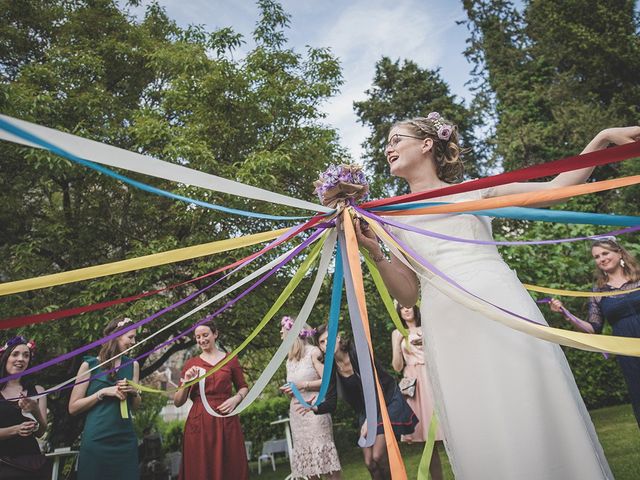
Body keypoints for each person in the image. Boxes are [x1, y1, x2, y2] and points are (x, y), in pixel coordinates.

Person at [354, 114, 640, 479]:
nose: (388, 148)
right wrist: (376, 254)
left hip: (498, 304)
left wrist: (600, 139)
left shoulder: (473, 190)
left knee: (526, 401)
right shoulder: (392, 218)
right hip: (446, 322)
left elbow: (553, 189)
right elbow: (408, 293)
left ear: (427, 144)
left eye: (396, 139)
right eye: (387, 143)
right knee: (478, 417)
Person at [549, 236, 640, 428]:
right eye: (597, 257)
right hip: (627, 351)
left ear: (619, 252)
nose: (602, 259)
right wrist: (567, 314)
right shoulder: (598, 292)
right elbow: (593, 328)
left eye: (605, 253)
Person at [307, 324, 418, 480]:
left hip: (385, 399)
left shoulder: (357, 351)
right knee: (369, 462)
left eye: (329, 339)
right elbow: (331, 402)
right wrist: (314, 406)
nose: (327, 344)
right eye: (322, 342)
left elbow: (375, 386)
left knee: (378, 456)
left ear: (338, 338)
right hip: (366, 411)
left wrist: (368, 421)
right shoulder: (331, 367)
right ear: (320, 347)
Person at [173, 320, 249, 480]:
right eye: (198, 337)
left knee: (231, 463)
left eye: (205, 335)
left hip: (226, 418)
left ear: (215, 334)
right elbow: (178, 401)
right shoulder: (191, 364)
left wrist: (236, 399)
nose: (201, 340)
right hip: (200, 421)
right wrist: (186, 381)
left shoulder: (231, 359)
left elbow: (243, 386)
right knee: (201, 466)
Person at [69, 318, 142, 480]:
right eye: (130, 337)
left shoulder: (133, 365)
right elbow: (73, 408)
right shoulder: (90, 366)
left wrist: (134, 392)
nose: (134, 342)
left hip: (125, 438)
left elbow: (136, 406)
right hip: (97, 439)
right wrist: (101, 393)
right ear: (116, 336)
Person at [277, 316, 342, 480]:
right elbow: (295, 384)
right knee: (309, 466)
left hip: (315, 411)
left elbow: (327, 381)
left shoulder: (313, 352)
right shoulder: (289, 360)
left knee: (326, 461)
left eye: (283, 330)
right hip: (298, 415)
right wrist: (291, 389)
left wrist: (304, 385)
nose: (280, 333)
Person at [390, 304, 443, 480]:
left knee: (442, 429)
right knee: (427, 438)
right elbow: (397, 367)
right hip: (413, 383)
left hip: (430, 377)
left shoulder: (426, 327)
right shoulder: (397, 333)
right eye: (401, 307)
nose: (405, 310)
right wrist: (398, 344)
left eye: (408, 306)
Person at [0, 336, 51, 480]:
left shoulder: (38, 390)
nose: (21, 359)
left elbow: (41, 432)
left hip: (31, 465)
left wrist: (35, 411)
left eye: (26, 355)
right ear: (5, 358)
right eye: (15, 354)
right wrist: (16, 429)